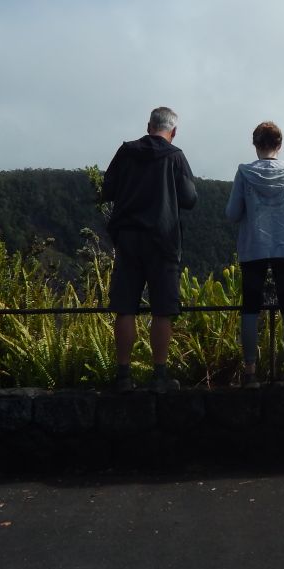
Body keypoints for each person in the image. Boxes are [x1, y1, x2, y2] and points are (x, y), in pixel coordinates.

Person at [103, 106, 198, 393]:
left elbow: (108, 189)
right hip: (162, 240)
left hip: (128, 238)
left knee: (125, 308)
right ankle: (159, 376)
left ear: (148, 126)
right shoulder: (175, 156)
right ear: (173, 131)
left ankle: (123, 376)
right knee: (162, 310)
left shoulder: (126, 152)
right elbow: (189, 199)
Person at [225, 121, 284, 388]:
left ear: (255, 144)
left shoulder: (244, 173)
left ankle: (250, 373)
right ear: (280, 144)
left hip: (254, 246)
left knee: (250, 308)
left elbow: (232, 214)